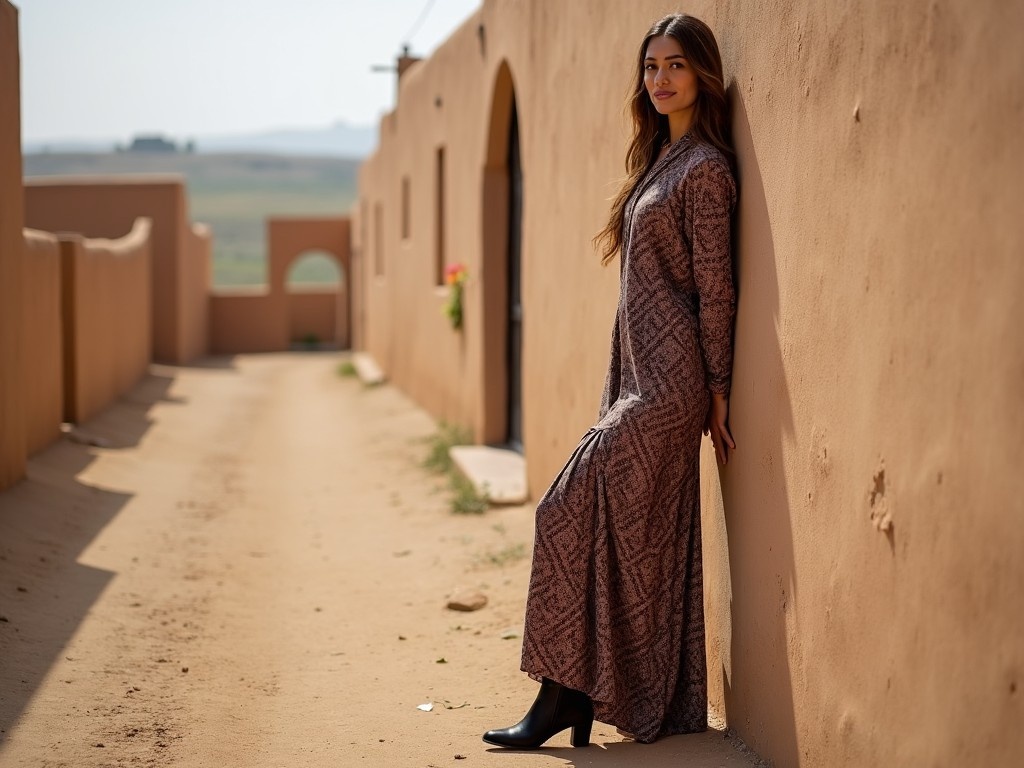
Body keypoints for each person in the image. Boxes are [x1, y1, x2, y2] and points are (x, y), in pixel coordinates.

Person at [482, 13, 737, 749]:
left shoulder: (708, 171)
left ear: (703, 76)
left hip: (670, 386)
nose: (660, 79)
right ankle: (575, 694)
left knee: (564, 510)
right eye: (652, 66)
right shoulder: (662, 159)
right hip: (634, 376)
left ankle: (563, 697)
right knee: (621, 534)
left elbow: (718, 290)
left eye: (676, 66)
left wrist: (716, 390)